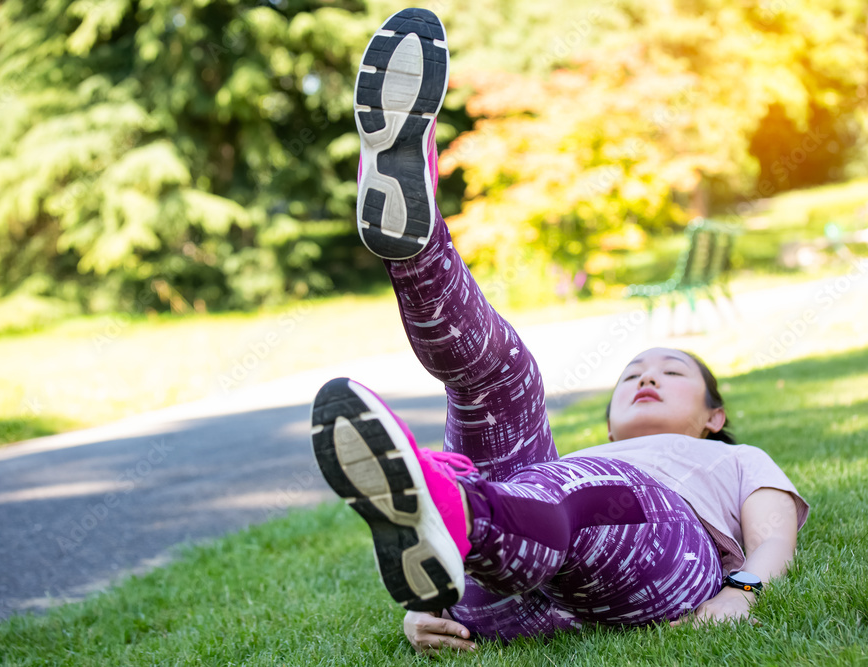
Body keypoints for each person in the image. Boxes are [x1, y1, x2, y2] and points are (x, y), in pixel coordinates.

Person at [310, 7, 809, 656]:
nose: (646, 375)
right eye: (632, 373)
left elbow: (773, 540)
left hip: (659, 561)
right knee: (509, 380)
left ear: (714, 417)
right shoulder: (585, 460)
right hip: (525, 573)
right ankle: (415, 243)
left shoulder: (737, 459)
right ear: (608, 421)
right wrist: (427, 612)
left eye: (671, 370)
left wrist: (739, 591)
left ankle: (451, 503)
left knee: (577, 492)